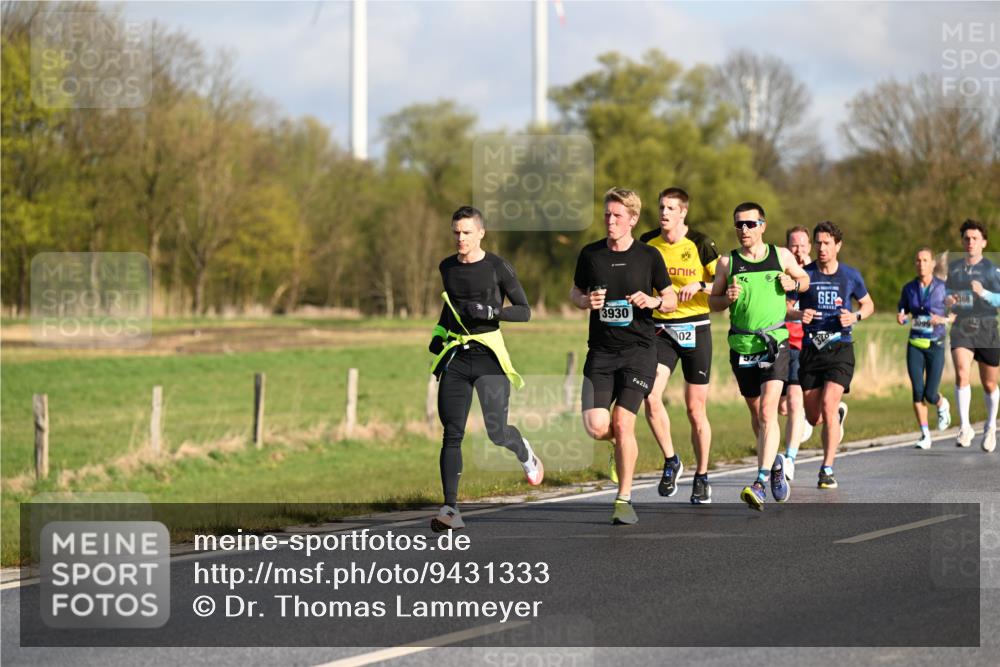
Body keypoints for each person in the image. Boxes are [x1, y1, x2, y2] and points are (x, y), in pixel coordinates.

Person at [427, 206, 543, 532]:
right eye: (456, 233)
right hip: (457, 358)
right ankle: (450, 508)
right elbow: (449, 309)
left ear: (480, 233)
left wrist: (492, 312)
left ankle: (524, 452)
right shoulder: (447, 267)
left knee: (497, 432)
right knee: (452, 433)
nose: (460, 238)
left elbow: (524, 311)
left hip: (489, 356)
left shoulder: (497, 266)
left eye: (466, 232)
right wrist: (438, 336)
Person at [571, 187, 677, 525]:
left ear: (632, 219)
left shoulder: (648, 256)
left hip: (639, 351)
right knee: (595, 426)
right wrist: (587, 302)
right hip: (601, 352)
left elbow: (671, 299)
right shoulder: (591, 255)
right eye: (606, 214)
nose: (610, 220)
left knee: (622, 421)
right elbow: (575, 291)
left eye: (617, 215)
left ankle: (624, 499)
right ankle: (622, 449)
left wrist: (654, 302)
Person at [709, 202, 809, 511]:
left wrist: (794, 283)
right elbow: (713, 303)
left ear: (762, 226)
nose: (744, 230)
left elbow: (804, 279)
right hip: (742, 346)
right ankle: (776, 461)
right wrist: (726, 298)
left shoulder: (781, 256)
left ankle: (760, 481)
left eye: (750, 224)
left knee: (768, 412)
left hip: (774, 342)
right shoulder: (728, 262)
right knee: (758, 417)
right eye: (738, 224)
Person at [639, 187, 719, 504]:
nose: (664, 213)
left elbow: (725, 285)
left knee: (695, 409)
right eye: (661, 207)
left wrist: (700, 284)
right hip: (661, 330)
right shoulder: (647, 242)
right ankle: (672, 460)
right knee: (651, 395)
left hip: (696, 328)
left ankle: (702, 476)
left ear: (683, 212)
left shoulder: (701, 243)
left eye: (671, 208)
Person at [798, 221, 875, 489]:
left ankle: (827, 468)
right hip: (811, 350)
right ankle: (836, 415)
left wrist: (854, 316)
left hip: (840, 347)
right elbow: (785, 306)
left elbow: (868, 305)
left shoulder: (850, 276)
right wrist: (798, 314)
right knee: (813, 418)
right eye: (818, 242)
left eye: (827, 243)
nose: (822, 247)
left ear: (838, 246)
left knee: (828, 407)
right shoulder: (804, 275)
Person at [945, 219, 1000, 454]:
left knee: (989, 383)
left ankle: (989, 427)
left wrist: (984, 292)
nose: (970, 242)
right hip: (963, 327)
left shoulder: (991, 269)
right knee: (961, 372)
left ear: (983, 242)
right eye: (966, 238)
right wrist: (949, 301)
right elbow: (946, 295)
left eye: (975, 238)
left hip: (987, 327)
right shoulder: (955, 268)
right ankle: (965, 427)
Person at [898, 247, 953, 449]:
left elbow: (955, 313)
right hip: (915, 344)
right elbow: (902, 311)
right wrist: (901, 318)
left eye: (925, 260)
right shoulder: (909, 288)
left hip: (935, 344)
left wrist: (943, 319)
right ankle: (925, 434)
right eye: (918, 260)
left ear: (932, 264)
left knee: (930, 393)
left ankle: (941, 403)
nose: (921, 264)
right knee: (917, 391)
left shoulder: (943, 287)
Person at [778, 226, 812, 482]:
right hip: (782, 341)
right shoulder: (781, 273)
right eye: (793, 245)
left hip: (806, 344)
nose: (798, 250)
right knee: (785, 408)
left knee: (794, 400)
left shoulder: (817, 273)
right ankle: (821, 417)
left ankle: (789, 459)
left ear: (809, 246)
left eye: (802, 245)